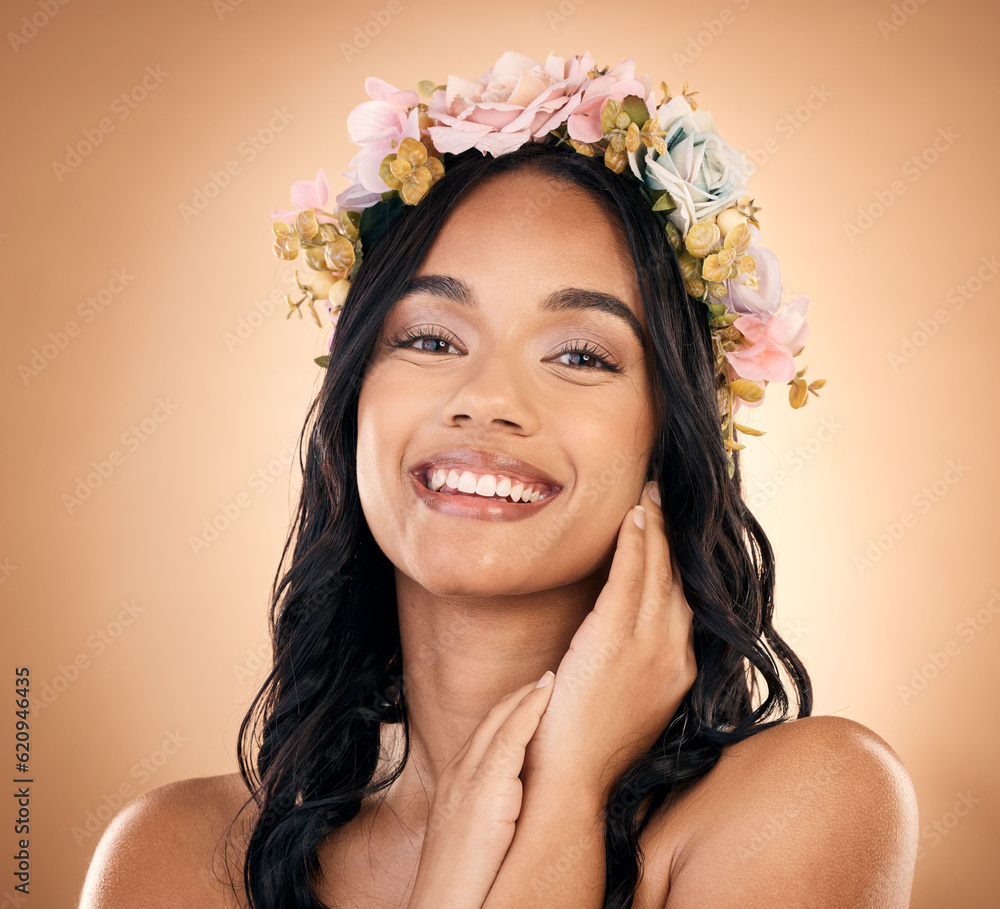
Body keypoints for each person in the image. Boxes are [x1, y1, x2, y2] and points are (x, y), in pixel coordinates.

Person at [79, 53, 918, 908]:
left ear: (672, 439)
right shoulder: (174, 859)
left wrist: (566, 797)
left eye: (581, 354)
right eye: (433, 339)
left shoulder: (804, 804)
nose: (485, 400)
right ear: (355, 401)